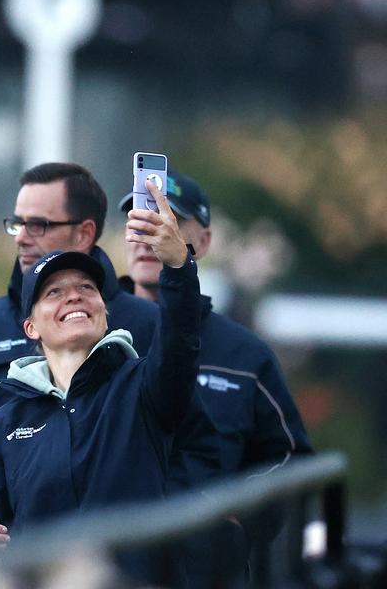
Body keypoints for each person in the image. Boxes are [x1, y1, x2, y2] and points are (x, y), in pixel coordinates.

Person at [0, 180, 202, 585]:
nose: (74, 297)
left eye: (87, 288)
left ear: (105, 312)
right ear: (31, 327)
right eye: (54, 292)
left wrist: (177, 266)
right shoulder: (4, 422)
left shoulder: (143, 386)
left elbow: (181, 340)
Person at [0, 162, 159, 508]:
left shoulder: (149, 325)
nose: (21, 236)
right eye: (17, 223)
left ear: (84, 234)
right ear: (30, 328)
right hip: (4, 552)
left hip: (122, 546)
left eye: (38, 224)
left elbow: (189, 447)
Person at [120, 170, 313, 584]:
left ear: (203, 242)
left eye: (170, 218)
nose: (151, 229)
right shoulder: (86, 336)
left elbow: (289, 458)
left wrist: (236, 517)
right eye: (140, 216)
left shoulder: (244, 353)